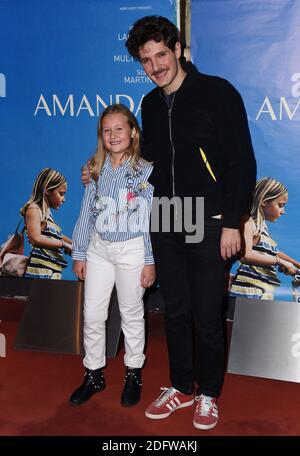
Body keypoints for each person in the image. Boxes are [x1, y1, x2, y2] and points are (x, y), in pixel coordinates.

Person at [82, 16, 256, 429]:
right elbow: (145, 167)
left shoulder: (217, 92)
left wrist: (232, 221)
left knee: (207, 313)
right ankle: (180, 385)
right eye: (147, 60)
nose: (156, 66)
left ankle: (208, 393)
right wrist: (99, 170)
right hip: (166, 215)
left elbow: (241, 161)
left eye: (161, 54)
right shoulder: (149, 105)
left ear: (178, 49)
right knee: (174, 309)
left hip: (208, 214)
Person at [69, 104, 155, 408]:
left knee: (132, 314)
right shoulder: (94, 169)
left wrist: (149, 260)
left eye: (119, 128)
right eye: (107, 130)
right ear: (101, 136)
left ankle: (133, 372)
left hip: (132, 249)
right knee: (92, 313)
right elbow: (85, 213)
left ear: (132, 132)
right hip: (98, 249)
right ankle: (93, 373)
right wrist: (79, 253)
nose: (113, 135)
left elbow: (148, 220)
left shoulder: (146, 170)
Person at [230, 177, 300, 300]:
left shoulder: (262, 229)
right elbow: (245, 255)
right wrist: (279, 262)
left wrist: (295, 264)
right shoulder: (249, 224)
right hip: (249, 292)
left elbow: (273, 251)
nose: (283, 211)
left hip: (262, 291)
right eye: (280, 205)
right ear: (264, 201)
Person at [20, 168, 72, 279]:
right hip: (40, 272)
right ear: (48, 190)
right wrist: (63, 244)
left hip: (52, 271)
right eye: (61, 194)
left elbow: (56, 236)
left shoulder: (46, 214)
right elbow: (36, 238)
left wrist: (75, 245)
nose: (64, 199)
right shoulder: (33, 209)